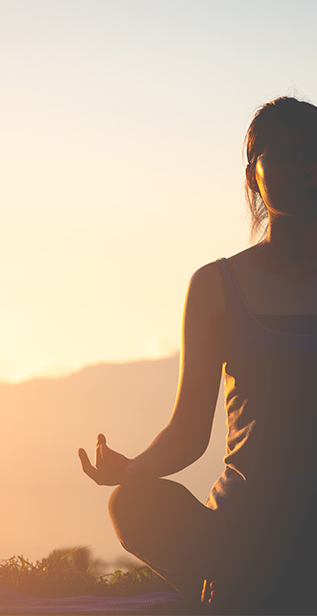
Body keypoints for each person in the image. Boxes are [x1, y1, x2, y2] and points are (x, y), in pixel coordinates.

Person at [78, 96, 317, 614]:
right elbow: (189, 433)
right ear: (253, 176)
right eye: (282, 154)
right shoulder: (216, 286)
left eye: (313, 152)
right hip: (242, 529)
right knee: (134, 504)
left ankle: (244, 593)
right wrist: (132, 469)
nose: (302, 165)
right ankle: (240, 584)